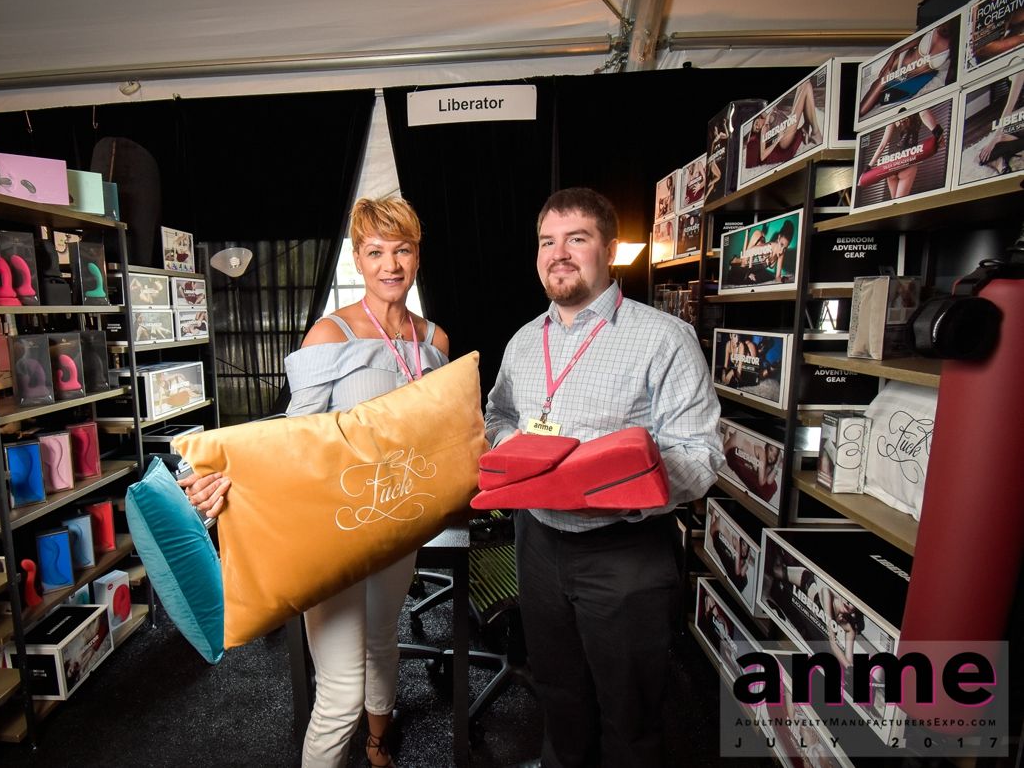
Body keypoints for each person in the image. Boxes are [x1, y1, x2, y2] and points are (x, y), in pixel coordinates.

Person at [178, 196, 449, 768]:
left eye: (402, 250)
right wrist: (225, 470)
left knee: (383, 638)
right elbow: (293, 435)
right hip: (333, 527)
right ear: (358, 258)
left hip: (398, 519)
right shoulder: (331, 334)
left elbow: (436, 434)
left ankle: (378, 743)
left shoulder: (434, 341)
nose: (390, 265)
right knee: (342, 690)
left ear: (418, 255)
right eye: (375, 252)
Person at [485, 187, 724, 767]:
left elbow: (700, 455)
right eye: (547, 241)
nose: (558, 254)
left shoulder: (664, 338)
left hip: (624, 550)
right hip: (537, 541)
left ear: (610, 251)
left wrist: (610, 484)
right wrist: (513, 451)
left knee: (630, 714)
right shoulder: (524, 341)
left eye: (577, 239)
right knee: (559, 697)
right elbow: (499, 415)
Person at [742, 79, 823, 169]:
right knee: (806, 86)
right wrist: (777, 140)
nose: (757, 127)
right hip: (783, 141)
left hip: (788, 127)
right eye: (756, 129)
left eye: (756, 123)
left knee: (804, 83)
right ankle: (815, 131)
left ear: (759, 118)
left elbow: (759, 109)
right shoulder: (764, 129)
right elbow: (762, 156)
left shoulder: (766, 115)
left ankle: (808, 127)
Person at [866, 108, 943, 200]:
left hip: (893, 162)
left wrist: (869, 166)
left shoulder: (893, 117)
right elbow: (925, 116)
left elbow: (882, 146)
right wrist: (939, 137)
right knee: (899, 204)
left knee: (893, 204)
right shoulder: (919, 110)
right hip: (908, 160)